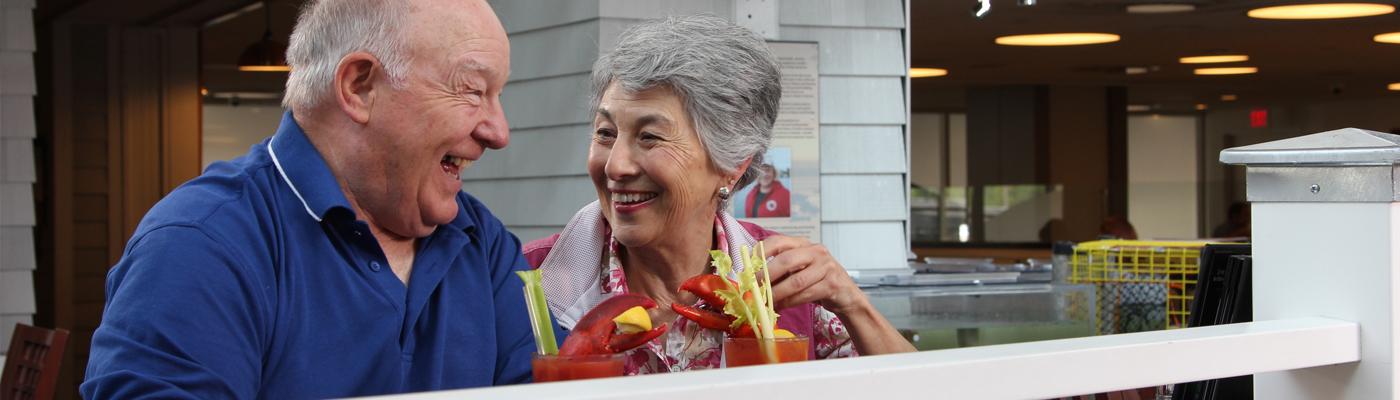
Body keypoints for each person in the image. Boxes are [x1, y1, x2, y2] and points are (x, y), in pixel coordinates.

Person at [80, 0, 554, 398]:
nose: (499, 132)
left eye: (497, 96)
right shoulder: (201, 243)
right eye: (472, 91)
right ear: (359, 86)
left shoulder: (481, 243)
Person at [522, 14, 915, 375]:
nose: (615, 166)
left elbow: (922, 391)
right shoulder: (525, 281)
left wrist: (853, 305)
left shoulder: (792, 283)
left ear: (733, 165)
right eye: (606, 133)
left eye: (650, 137)